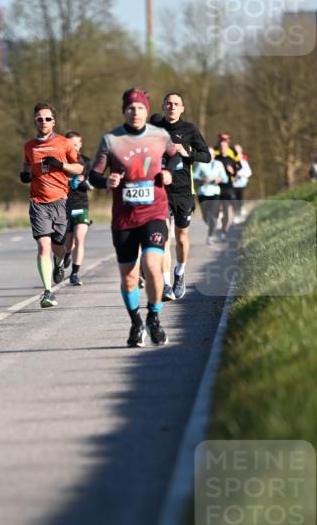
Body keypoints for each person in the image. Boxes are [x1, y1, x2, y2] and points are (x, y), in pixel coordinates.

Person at [89, 87, 176, 347]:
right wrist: (107, 181)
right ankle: (136, 323)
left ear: (146, 111)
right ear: (123, 111)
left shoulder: (160, 135)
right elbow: (93, 175)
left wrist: (169, 173)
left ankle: (155, 318)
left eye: (139, 107)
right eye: (130, 108)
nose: (134, 112)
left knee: (152, 267)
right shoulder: (111, 139)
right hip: (124, 218)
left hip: (155, 212)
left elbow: (176, 158)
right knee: (128, 275)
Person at [20, 102, 83, 307]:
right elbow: (27, 163)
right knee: (43, 246)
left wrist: (61, 165)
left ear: (53, 121)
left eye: (47, 118)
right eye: (40, 118)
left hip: (60, 201)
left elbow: (79, 168)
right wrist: (25, 173)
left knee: (60, 247)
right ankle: (48, 292)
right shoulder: (29, 146)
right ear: (35, 121)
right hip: (38, 203)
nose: (43, 121)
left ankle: (59, 262)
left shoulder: (65, 143)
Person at [149, 91, 210, 300]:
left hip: (183, 191)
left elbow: (207, 156)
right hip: (160, 191)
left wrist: (187, 153)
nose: (172, 107)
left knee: (182, 238)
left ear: (182, 108)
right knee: (164, 238)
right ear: (163, 106)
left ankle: (180, 272)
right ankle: (166, 284)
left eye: (176, 104)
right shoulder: (155, 129)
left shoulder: (190, 129)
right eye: (168, 104)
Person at [63, 131, 93, 286]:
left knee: (79, 237)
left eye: (76, 144)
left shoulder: (86, 162)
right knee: (68, 244)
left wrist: (85, 181)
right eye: (70, 144)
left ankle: (74, 273)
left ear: (80, 144)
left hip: (81, 204)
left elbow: (93, 181)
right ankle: (65, 255)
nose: (73, 147)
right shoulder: (60, 161)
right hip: (63, 204)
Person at [193, 152, 227, 245]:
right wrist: (202, 180)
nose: (210, 155)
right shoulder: (201, 163)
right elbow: (193, 176)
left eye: (212, 154)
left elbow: (225, 178)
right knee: (205, 216)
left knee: (212, 215)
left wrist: (220, 179)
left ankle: (210, 236)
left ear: (214, 155)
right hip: (203, 193)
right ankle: (213, 226)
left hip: (215, 192)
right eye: (208, 154)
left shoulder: (219, 164)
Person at [214, 134, 240, 238]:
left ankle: (225, 229)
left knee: (227, 208)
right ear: (219, 148)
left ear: (227, 148)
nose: (223, 148)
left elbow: (235, 172)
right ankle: (220, 220)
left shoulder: (231, 159)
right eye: (221, 146)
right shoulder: (216, 159)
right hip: (217, 186)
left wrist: (232, 171)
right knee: (218, 207)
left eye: (225, 147)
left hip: (228, 186)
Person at [232, 143, 252, 222]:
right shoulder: (231, 158)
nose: (236, 151)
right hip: (232, 183)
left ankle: (239, 213)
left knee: (239, 198)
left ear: (241, 150)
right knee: (233, 199)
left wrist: (241, 174)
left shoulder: (244, 159)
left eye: (238, 150)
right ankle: (237, 213)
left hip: (241, 183)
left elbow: (249, 172)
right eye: (235, 150)